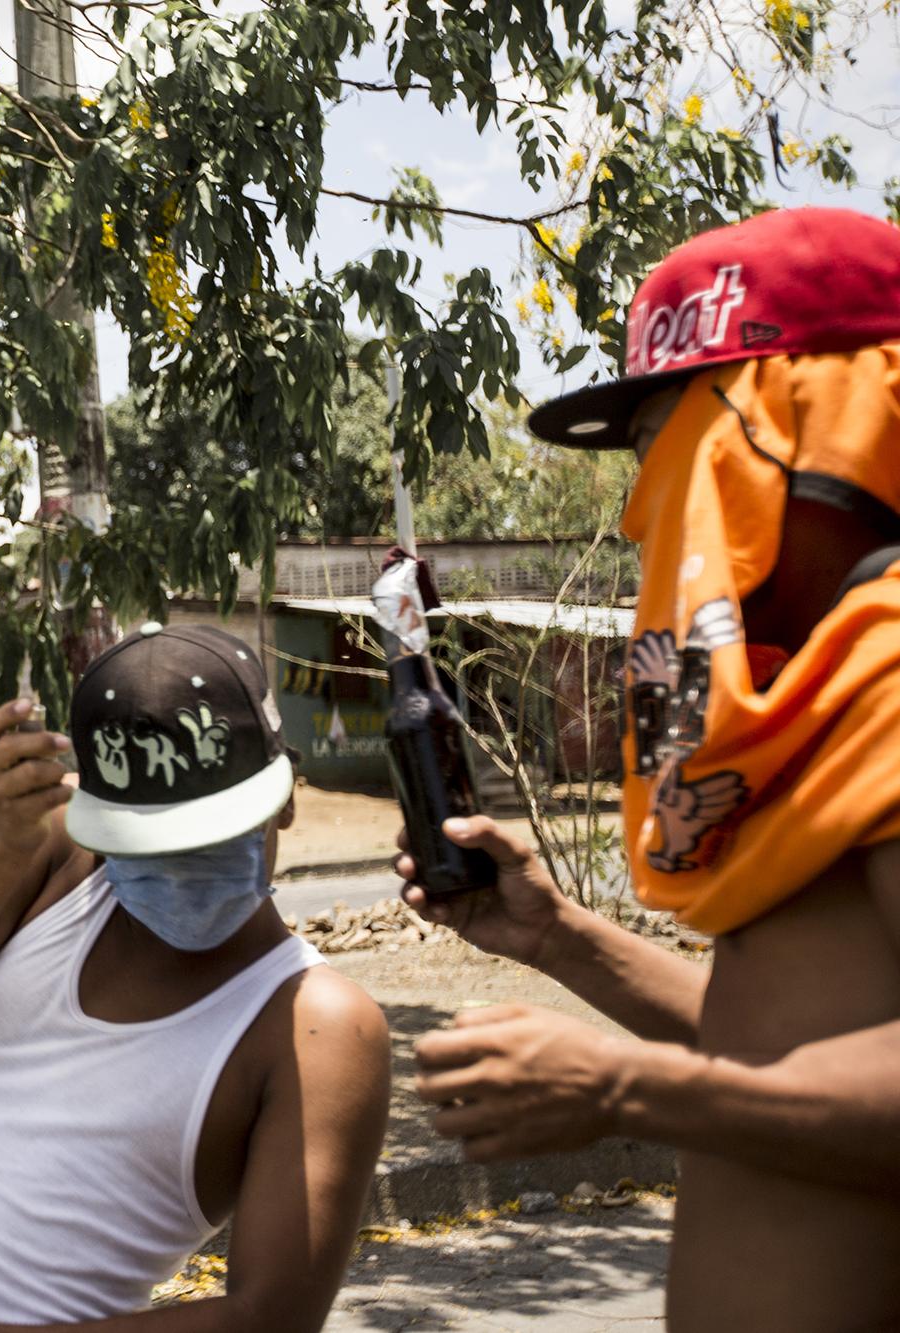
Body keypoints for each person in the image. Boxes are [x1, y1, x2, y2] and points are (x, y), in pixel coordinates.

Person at [401, 207, 900, 1331]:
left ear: (830, 435)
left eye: (676, 453)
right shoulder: (814, 696)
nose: (643, 515)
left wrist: (624, 1090)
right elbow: (776, 1056)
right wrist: (556, 938)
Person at [0, 623, 390, 1333]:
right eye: (145, 843)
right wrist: (6, 839)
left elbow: (270, 1317)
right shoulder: (60, 861)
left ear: (284, 796)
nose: (179, 865)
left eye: (208, 835)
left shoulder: (318, 1029)